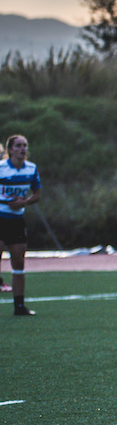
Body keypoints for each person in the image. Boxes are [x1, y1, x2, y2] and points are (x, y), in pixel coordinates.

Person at [0, 135, 40, 315]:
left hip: (16, 221)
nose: (22, 149)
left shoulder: (31, 169)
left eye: (25, 145)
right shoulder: (1, 168)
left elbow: (37, 194)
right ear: (10, 150)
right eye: (18, 146)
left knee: (18, 262)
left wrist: (24, 203)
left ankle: (19, 306)